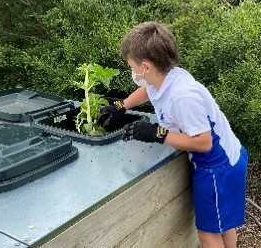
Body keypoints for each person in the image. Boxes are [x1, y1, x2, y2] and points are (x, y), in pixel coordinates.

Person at [97, 21, 248, 248]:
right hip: (231, 157)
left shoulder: (182, 96)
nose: (132, 72)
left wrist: (156, 133)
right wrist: (120, 106)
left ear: (146, 66)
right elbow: (147, 90)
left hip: (218, 168)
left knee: (208, 233)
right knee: (224, 222)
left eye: (131, 66)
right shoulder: (166, 77)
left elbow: (204, 142)